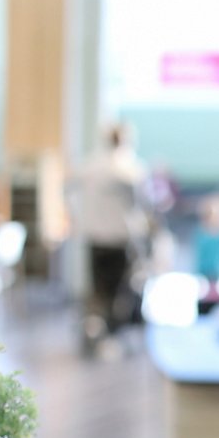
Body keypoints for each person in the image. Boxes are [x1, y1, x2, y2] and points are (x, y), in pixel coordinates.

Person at [71, 122, 150, 350]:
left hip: (95, 238)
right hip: (119, 240)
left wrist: (78, 219)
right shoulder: (130, 170)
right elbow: (141, 205)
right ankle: (111, 335)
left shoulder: (90, 166)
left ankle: (97, 332)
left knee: (98, 290)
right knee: (119, 292)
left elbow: (69, 187)